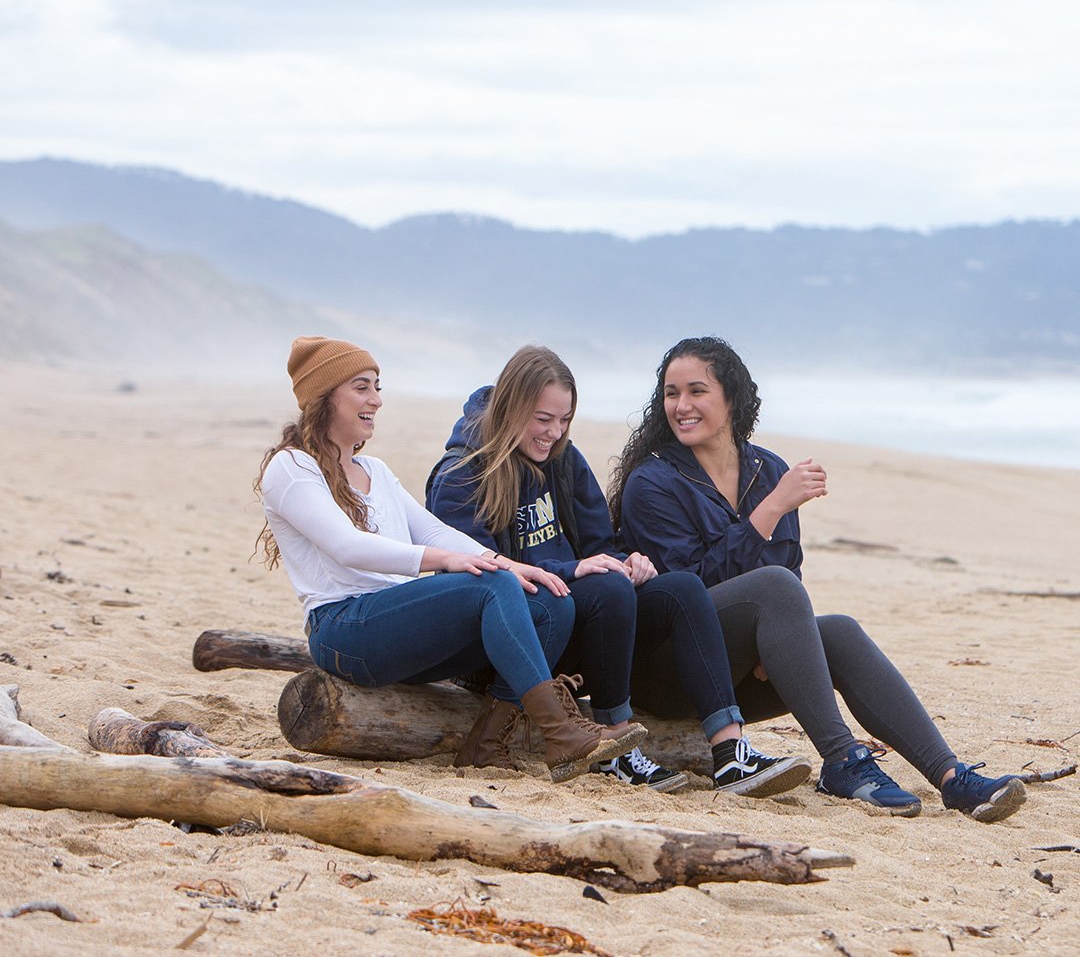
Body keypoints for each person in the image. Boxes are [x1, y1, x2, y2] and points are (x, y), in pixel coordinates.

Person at [609, 336, 1027, 822]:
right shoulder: (653, 482)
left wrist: (772, 639)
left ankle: (952, 777)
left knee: (839, 631)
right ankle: (844, 758)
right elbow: (688, 594)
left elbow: (787, 572)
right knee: (776, 591)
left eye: (696, 391)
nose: (681, 406)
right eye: (671, 393)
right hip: (670, 674)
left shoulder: (770, 471)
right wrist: (770, 511)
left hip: (739, 670)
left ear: (732, 397)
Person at [255, 335, 648, 784]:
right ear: (324, 396)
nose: (376, 400)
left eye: (377, 387)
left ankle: (486, 743)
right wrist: (449, 562)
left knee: (546, 599)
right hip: (344, 630)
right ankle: (558, 730)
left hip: (401, 626)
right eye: (362, 387)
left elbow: (434, 530)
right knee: (492, 584)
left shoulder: (375, 472)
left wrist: (503, 562)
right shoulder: (291, 467)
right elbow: (348, 546)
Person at [426, 344, 812, 796]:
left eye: (564, 419)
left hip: (576, 623)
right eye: (542, 419)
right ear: (510, 408)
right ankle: (618, 747)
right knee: (608, 589)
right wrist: (577, 570)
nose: (553, 432)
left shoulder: (564, 462)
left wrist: (628, 562)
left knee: (681, 587)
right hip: (509, 641)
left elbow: (600, 547)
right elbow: (480, 577)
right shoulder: (462, 475)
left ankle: (730, 752)